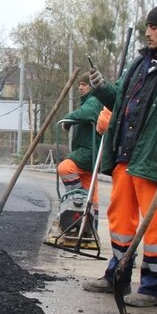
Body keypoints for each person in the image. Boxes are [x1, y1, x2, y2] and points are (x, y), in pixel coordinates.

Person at [82, 3, 157, 309]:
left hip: (155, 162)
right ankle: (117, 275)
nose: (148, 32)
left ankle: (153, 289)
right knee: (120, 220)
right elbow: (118, 98)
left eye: (154, 27)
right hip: (126, 156)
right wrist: (101, 87)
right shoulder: (139, 64)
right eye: (147, 26)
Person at [57, 79, 103, 213]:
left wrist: (68, 120)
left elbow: (86, 114)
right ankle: (90, 223)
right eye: (79, 85)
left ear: (92, 86)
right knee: (89, 189)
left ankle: (79, 200)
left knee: (65, 168)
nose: (80, 88)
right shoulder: (90, 101)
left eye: (84, 84)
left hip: (88, 151)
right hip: (88, 151)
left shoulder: (94, 100)